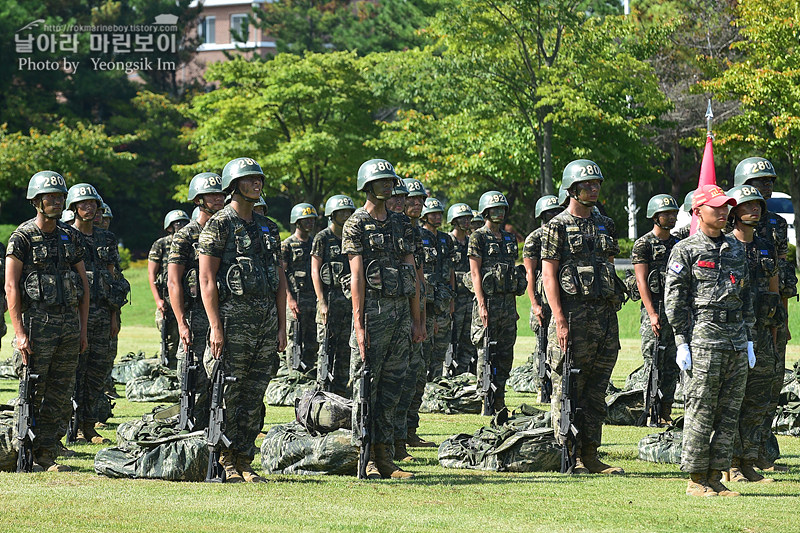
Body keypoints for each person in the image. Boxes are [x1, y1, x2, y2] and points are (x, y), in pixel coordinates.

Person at [199, 157, 287, 483]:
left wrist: (281, 326)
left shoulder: (269, 227)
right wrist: (216, 327)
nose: (257, 184)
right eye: (250, 179)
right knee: (228, 393)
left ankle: (245, 458)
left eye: (259, 179)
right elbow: (207, 280)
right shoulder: (219, 224)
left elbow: (278, 279)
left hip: (264, 324)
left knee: (254, 395)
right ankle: (225, 460)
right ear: (234, 185)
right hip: (232, 322)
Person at [665, 183, 755, 497]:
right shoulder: (686, 250)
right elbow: (674, 301)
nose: (723, 212)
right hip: (702, 342)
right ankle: (695, 479)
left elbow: (745, 297)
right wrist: (681, 340)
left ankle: (716, 475)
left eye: (726, 207)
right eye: (716, 207)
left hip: (734, 342)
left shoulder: (736, 248)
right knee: (701, 411)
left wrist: (749, 339)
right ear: (697, 212)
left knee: (728, 413)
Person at [540, 160, 625, 475]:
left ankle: (591, 453)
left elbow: (609, 266)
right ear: (572, 189)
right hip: (572, 318)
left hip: (603, 318)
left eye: (597, 184)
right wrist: (560, 319)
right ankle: (571, 455)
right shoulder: (556, 226)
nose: (594, 189)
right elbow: (549, 276)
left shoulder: (605, 224)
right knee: (569, 388)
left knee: (596, 389)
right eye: (588, 185)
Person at [343, 158, 423, 479]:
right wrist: (359, 324)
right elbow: (357, 277)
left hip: (401, 315)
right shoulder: (356, 224)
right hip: (372, 315)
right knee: (367, 387)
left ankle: (386, 457)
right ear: (368, 186)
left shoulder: (402, 224)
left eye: (391, 181)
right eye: (382, 181)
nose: (389, 186)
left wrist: (417, 320)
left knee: (393, 387)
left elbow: (414, 274)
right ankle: (365, 458)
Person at [6, 171, 89, 472]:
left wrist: (82, 327)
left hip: (68, 325)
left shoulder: (72, 236)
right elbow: (12, 287)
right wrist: (19, 333)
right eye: (50, 197)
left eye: (60, 197)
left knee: (60, 391)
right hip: (36, 326)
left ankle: (47, 454)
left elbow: (83, 285)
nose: (56, 201)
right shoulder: (22, 237)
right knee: (31, 390)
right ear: (36, 201)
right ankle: (22, 453)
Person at [733, 157, 794, 473]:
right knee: (737, 390)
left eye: (769, 182)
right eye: (759, 184)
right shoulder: (730, 227)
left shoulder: (777, 225)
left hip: (769, 319)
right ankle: (735, 457)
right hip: (737, 322)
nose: (766, 188)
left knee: (770, 387)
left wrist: (781, 321)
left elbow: (780, 274)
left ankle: (759, 454)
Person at [725, 185, 780, 484]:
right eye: (748, 205)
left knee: (758, 399)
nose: (755, 209)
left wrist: (774, 328)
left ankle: (748, 461)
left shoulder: (765, 246)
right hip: (732, 333)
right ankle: (730, 463)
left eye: (757, 204)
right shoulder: (724, 246)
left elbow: (773, 291)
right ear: (733, 211)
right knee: (734, 399)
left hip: (761, 333)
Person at [167, 172, 226, 429]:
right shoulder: (185, 236)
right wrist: (181, 323)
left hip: (223, 315)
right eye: (211, 195)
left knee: (221, 379)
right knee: (194, 379)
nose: (218, 198)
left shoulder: (228, 230)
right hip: (194, 317)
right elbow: (173, 282)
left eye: (220, 194)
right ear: (198, 200)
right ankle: (194, 429)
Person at [65, 183, 120, 444]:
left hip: (101, 313)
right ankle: (71, 427)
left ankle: (88, 426)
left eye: (93, 204)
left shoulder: (106, 238)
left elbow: (113, 278)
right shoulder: (65, 235)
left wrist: (114, 315)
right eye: (83, 204)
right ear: (74, 207)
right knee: (74, 373)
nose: (89, 208)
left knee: (97, 373)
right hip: (73, 316)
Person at [469, 190, 523, 416]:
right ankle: (485, 400)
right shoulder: (478, 237)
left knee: (505, 354)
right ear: (485, 212)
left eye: (502, 209)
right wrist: (481, 305)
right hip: (488, 304)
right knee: (485, 354)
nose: (499, 213)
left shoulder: (509, 237)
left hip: (507, 306)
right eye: (494, 209)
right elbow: (475, 273)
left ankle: (500, 397)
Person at [631, 194, 681, 424]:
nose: (671, 217)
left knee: (672, 363)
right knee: (653, 362)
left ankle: (666, 412)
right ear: (654, 216)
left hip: (676, 311)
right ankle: (651, 410)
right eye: (666, 213)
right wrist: (652, 314)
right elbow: (641, 282)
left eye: (674, 213)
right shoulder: (643, 244)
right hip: (654, 310)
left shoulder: (679, 244)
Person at [394, 177, 432, 457]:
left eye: (420, 199)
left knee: (413, 377)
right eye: (410, 200)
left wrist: (420, 319)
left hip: (412, 313)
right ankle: (391, 442)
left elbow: (418, 279)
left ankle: (406, 434)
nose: (414, 204)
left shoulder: (412, 233)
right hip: (386, 315)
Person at [311, 195, 356, 396]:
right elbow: (315, 270)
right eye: (342, 212)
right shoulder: (322, 238)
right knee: (326, 349)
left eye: (349, 212)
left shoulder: (352, 238)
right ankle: (322, 391)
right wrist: (321, 302)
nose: (346, 216)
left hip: (348, 304)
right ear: (332, 214)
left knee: (346, 349)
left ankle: (341, 391)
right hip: (329, 301)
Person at [523, 195, 562, 403]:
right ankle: (542, 386)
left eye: (557, 212)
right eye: (550, 214)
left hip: (560, 298)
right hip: (541, 299)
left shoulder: (563, 232)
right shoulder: (534, 238)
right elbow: (530, 273)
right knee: (542, 345)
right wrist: (534, 303)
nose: (554, 216)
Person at [148, 209, 190, 370]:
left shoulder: (189, 241)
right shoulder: (161, 244)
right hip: (166, 299)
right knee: (169, 340)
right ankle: (168, 370)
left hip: (185, 298)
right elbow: (152, 274)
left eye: (184, 222)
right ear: (170, 226)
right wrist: (158, 300)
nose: (180, 225)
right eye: (177, 223)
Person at [420, 197, 455, 380]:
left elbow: (451, 271)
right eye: (433, 214)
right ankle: (422, 387)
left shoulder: (446, 239)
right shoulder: (419, 235)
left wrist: (452, 300)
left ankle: (436, 383)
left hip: (443, 299)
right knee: (424, 348)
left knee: (440, 347)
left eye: (439, 213)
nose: (437, 217)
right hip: (426, 300)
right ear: (425, 216)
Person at [282, 203, 319, 372]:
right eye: (306, 220)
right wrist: (289, 298)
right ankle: (293, 374)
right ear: (297, 222)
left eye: (312, 220)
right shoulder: (287, 245)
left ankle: (309, 374)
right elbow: (281, 274)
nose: (310, 223)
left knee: (312, 340)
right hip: (295, 299)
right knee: (294, 339)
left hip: (313, 299)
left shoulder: (315, 243)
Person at [447, 203, 476, 374]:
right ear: (454, 221)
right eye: (462, 219)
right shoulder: (448, 241)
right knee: (451, 340)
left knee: (468, 340)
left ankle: (463, 374)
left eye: (468, 218)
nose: (466, 221)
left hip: (470, 299)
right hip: (454, 299)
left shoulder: (473, 242)